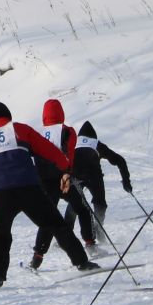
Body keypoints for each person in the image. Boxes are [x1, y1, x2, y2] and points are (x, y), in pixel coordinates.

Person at [0, 101, 98, 286]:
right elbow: (48, 149)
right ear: (8, 116)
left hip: (2, 192)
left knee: (1, 233)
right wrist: (64, 166)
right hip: (28, 188)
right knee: (56, 224)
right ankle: (81, 262)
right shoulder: (20, 129)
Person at [38, 99, 94, 245]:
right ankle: (89, 242)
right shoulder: (67, 131)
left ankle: (38, 255)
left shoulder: (40, 133)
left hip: (45, 181)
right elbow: (69, 153)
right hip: (63, 178)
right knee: (82, 209)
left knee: (49, 216)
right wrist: (68, 172)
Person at [71, 120, 133, 229]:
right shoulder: (96, 144)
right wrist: (126, 181)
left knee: (74, 203)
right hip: (93, 174)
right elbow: (120, 161)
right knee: (100, 202)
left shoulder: (73, 144)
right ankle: (98, 228)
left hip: (75, 174)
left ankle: (66, 234)